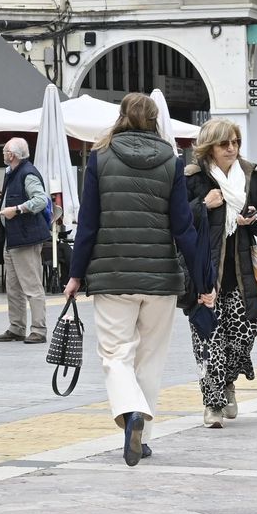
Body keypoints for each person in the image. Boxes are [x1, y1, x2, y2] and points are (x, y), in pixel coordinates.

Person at [66, 93, 214, 466]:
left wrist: (75, 274)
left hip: (112, 274)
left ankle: (130, 412)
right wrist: (203, 278)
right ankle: (142, 437)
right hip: (161, 277)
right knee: (151, 358)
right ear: (154, 120)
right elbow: (183, 227)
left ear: (121, 117)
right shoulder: (171, 160)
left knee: (116, 355)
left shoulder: (100, 158)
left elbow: (88, 224)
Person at [184, 118, 257, 428]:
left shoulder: (249, 176)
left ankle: (228, 383)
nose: (232, 148)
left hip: (241, 273)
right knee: (209, 340)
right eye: (225, 144)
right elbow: (178, 222)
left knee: (242, 338)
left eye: (235, 142)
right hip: (206, 275)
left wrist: (255, 217)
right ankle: (212, 404)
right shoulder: (194, 178)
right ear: (210, 147)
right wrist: (202, 206)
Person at [0, 137, 50, 344]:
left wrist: (16, 209)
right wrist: (3, 195)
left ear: (12, 155)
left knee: (32, 286)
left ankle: (39, 329)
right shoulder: (13, 172)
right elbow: (21, 195)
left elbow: (41, 200)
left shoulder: (27, 173)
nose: (3, 154)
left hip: (26, 238)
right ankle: (16, 327)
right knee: (13, 286)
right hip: (13, 238)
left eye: (5, 151)